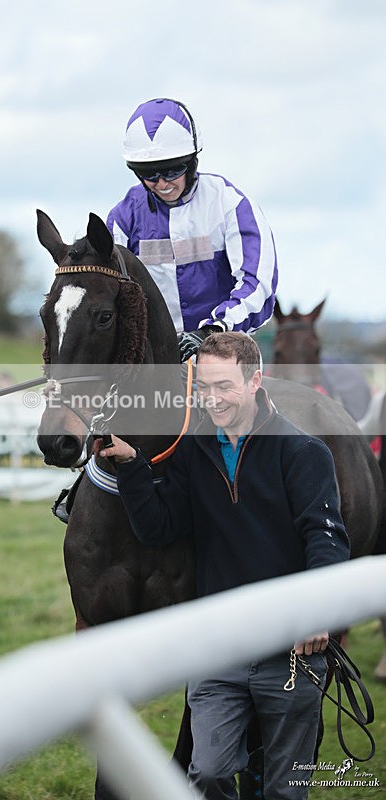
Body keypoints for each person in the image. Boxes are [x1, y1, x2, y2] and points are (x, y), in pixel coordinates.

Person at [96, 332, 350, 800]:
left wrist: (318, 612)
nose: (212, 399)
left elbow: (326, 537)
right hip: (218, 648)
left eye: (224, 387)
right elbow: (160, 527)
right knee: (207, 772)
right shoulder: (194, 451)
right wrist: (133, 467)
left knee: (283, 789)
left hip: (292, 650)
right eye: (204, 387)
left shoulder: (304, 453)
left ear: (255, 381)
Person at [107, 98, 278, 362]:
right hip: (153, 358)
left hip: (224, 350)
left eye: (172, 170)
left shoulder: (230, 204)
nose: (162, 183)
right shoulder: (124, 215)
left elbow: (257, 285)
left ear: (192, 161)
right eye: (149, 174)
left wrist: (210, 332)